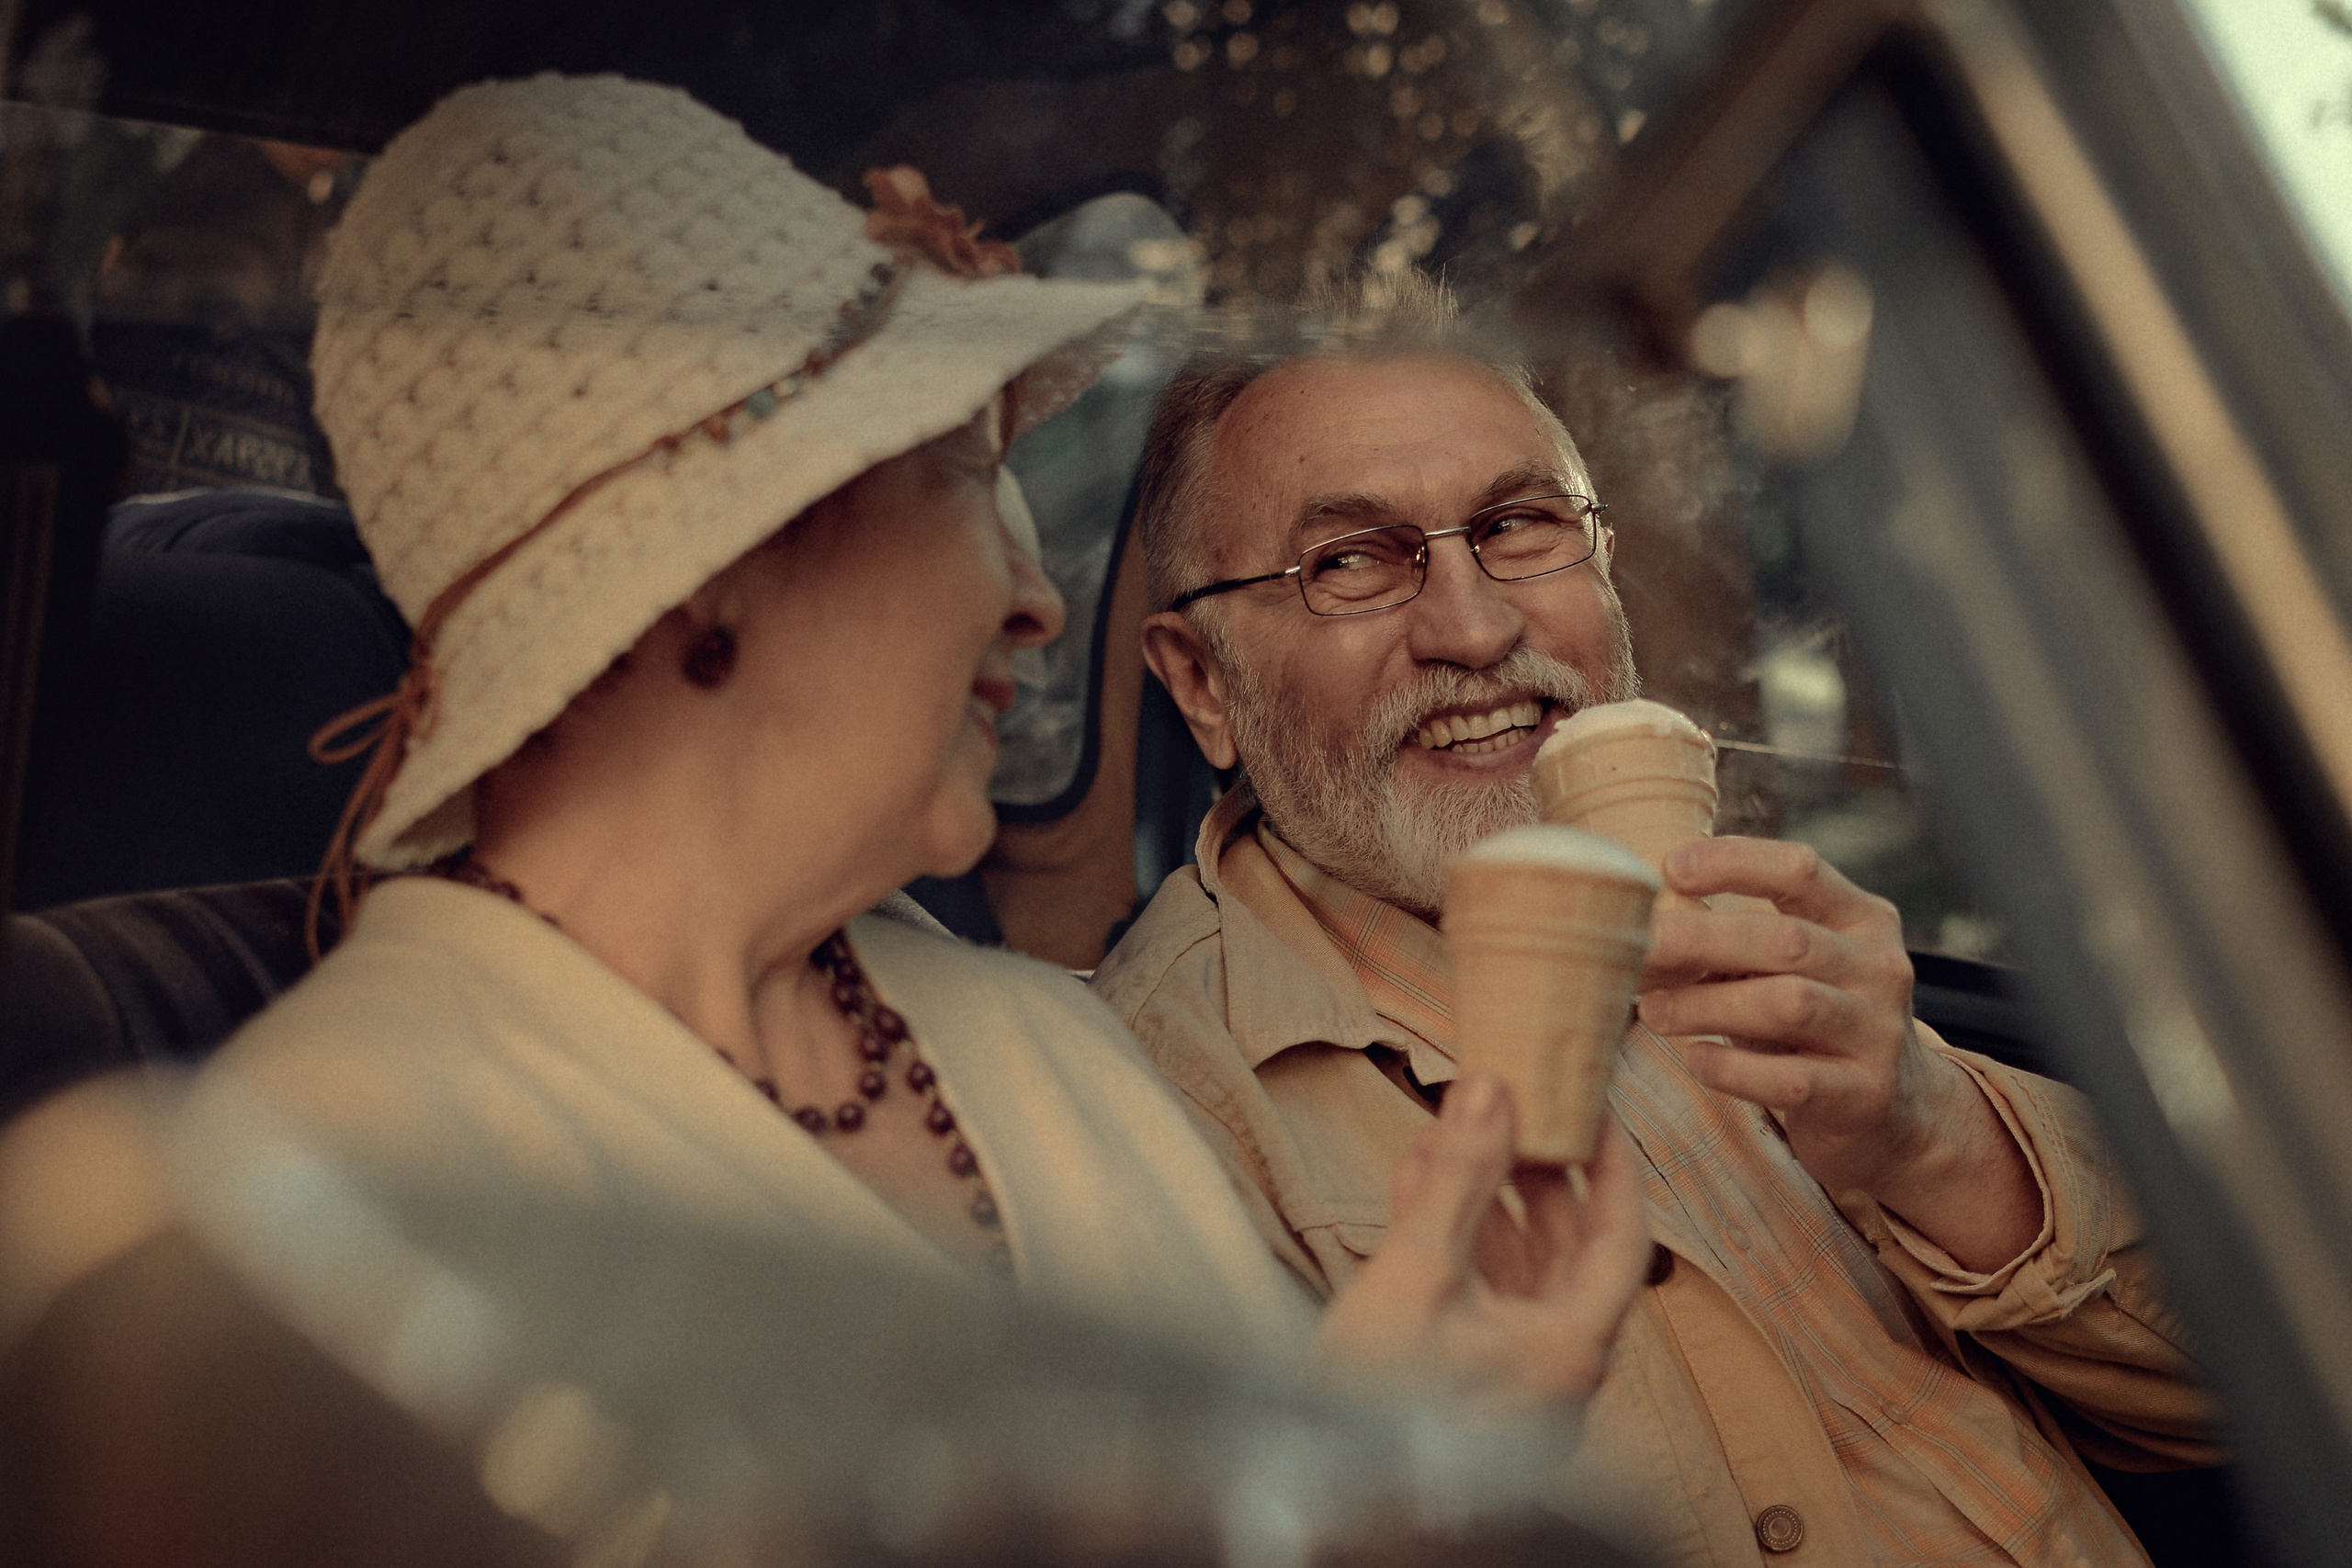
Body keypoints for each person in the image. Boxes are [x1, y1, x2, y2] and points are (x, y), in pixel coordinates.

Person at [0, 77, 1657, 1540]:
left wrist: (1428, 1434)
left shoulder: (1050, 1043)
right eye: (953, 476)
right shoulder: (363, 1187)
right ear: (704, 579)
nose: (1033, 596)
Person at [1093, 274, 2220, 1566]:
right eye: (1348, 562)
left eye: (1519, 526)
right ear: (1200, 684)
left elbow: (2261, 1389)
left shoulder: (1756, 933)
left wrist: (1931, 1136)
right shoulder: (1147, 1120)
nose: (1475, 626)